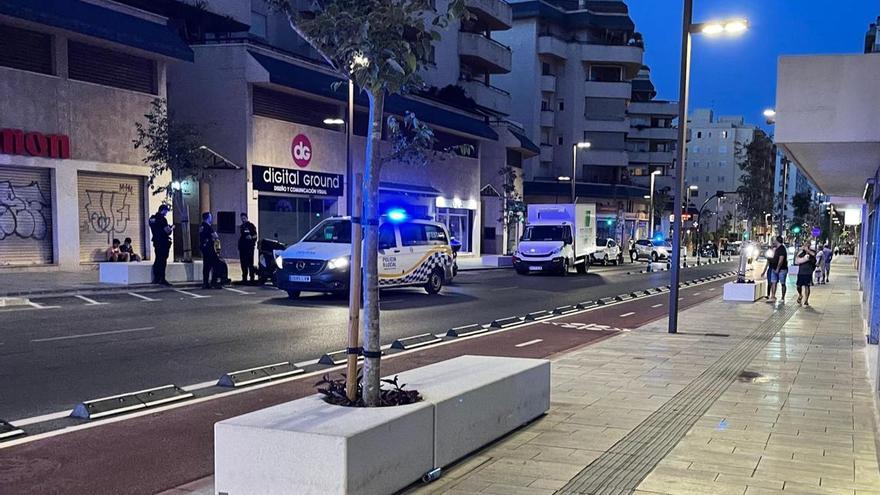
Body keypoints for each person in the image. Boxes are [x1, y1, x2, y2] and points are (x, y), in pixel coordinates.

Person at [149, 204, 173, 285]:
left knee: (157, 259)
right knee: (162, 261)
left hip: (156, 241)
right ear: (163, 210)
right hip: (163, 242)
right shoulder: (163, 219)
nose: (166, 213)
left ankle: (156, 278)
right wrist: (171, 228)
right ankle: (162, 278)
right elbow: (167, 231)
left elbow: (155, 228)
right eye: (166, 211)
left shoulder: (152, 218)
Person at [199, 212, 223, 289]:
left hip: (204, 248)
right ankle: (214, 282)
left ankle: (205, 283)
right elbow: (215, 236)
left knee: (206, 266)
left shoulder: (201, 226)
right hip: (210, 249)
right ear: (208, 218)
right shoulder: (208, 227)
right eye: (210, 217)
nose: (211, 218)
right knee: (216, 264)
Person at [767, 236, 788, 303]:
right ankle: (773, 296)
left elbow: (781, 260)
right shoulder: (775, 248)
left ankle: (782, 297)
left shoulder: (782, 249)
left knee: (782, 283)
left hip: (782, 269)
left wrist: (778, 268)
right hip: (774, 268)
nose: (773, 242)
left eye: (774, 240)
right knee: (773, 282)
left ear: (777, 241)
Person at [238, 213, 258, 283]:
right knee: (243, 264)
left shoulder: (251, 226)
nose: (243, 220)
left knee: (250, 263)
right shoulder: (242, 227)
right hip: (243, 248)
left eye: (244, 218)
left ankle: (252, 278)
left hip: (249, 248)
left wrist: (251, 238)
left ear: (246, 218)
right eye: (242, 218)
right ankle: (244, 278)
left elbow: (255, 236)